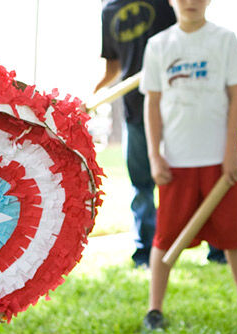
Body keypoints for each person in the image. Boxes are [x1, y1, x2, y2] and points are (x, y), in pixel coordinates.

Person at [139, 0, 237, 330]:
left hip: (219, 163)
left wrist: (231, 151)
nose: (191, 2)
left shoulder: (224, 39)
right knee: (165, 239)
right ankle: (154, 310)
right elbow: (153, 104)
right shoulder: (159, 45)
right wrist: (154, 154)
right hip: (176, 163)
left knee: (233, 234)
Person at [95, 0, 227, 268]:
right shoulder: (109, 11)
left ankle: (219, 248)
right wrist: (92, 97)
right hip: (134, 110)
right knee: (141, 185)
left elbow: (187, 35)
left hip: (177, 108)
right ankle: (144, 254)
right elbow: (113, 68)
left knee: (200, 176)